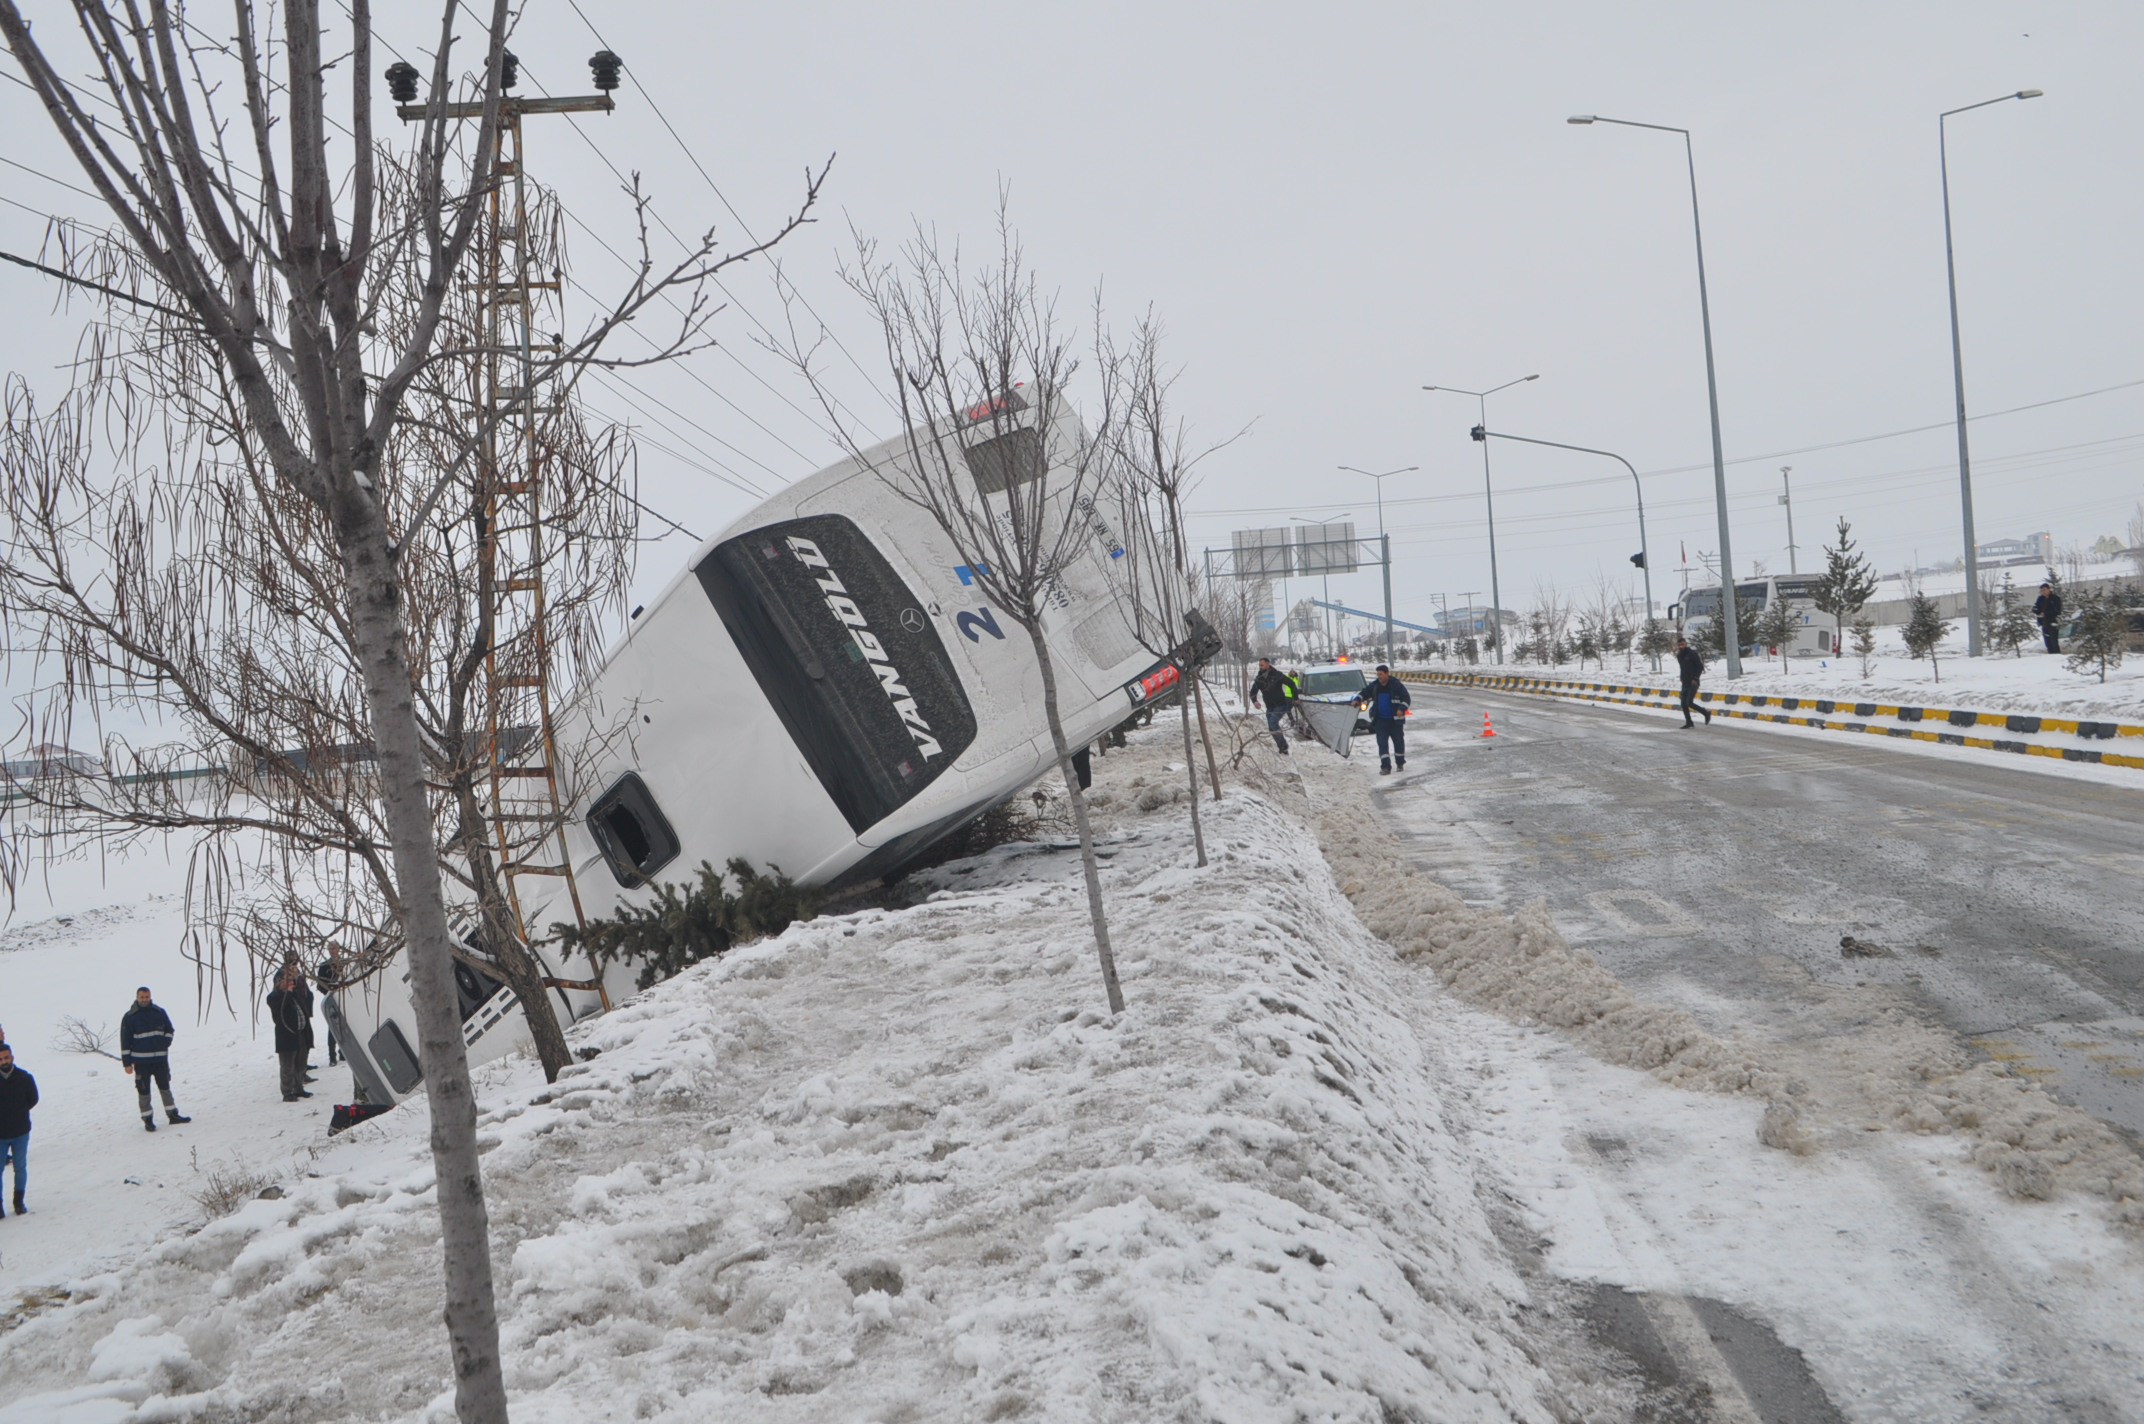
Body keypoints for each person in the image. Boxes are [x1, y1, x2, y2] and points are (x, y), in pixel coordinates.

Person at [120, 986, 192, 1132]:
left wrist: (165, 1042)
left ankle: (173, 1115)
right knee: (144, 1091)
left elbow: (169, 1030)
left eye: (146, 997)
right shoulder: (130, 1017)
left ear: (150, 997)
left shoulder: (159, 1012)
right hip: (141, 1063)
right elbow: (125, 1041)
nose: (144, 999)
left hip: (160, 1060)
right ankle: (148, 1120)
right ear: (137, 997)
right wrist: (127, 1063)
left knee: (165, 1087)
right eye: (142, 997)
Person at [1352, 664, 1413, 774]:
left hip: (1395, 721)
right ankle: (1385, 767)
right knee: (1382, 744)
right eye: (1378, 674)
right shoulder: (1375, 686)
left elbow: (1406, 699)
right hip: (1380, 721)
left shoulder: (1396, 685)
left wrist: (1401, 709)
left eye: (1381, 674)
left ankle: (1400, 763)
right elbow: (1364, 692)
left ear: (1387, 674)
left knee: (1398, 742)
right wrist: (1357, 699)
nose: (1379, 676)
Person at [0, 1041, 35, 1218]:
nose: (4, 1062)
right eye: (0, 1059)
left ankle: (19, 1202)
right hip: (0, 1135)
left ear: (12, 1057)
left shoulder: (24, 1078)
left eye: (6, 1058)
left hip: (20, 1132)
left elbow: (33, 1099)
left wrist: (19, 1113)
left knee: (20, 1167)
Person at [267, 971, 314, 1102]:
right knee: (287, 1066)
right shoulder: (274, 997)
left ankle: (298, 1088)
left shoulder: (294, 994)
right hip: (287, 1036)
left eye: (292, 980)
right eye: (288, 980)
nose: (291, 982)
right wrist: (287, 993)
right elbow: (281, 1008)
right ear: (279, 982)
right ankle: (287, 1092)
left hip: (301, 1033)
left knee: (301, 1064)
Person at [1248, 657, 1300, 755]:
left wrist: (1295, 698)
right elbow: (1253, 692)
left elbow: (1291, 684)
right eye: (1259, 665)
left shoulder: (1277, 675)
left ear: (1268, 664)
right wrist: (1255, 702)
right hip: (1270, 707)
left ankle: (1284, 746)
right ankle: (1282, 748)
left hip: (1281, 704)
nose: (1260, 667)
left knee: (1273, 722)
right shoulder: (1259, 678)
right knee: (1271, 728)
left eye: (1262, 665)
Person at [1675, 637, 1712, 727]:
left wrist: (1695, 678)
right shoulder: (1679, 656)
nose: (1681, 646)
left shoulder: (1692, 654)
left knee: (1689, 702)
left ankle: (1706, 713)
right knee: (1683, 704)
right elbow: (1682, 668)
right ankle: (1689, 722)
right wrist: (1681, 677)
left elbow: (1700, 667)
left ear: (1686, 644)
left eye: (1682, 644)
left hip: (1693, 682)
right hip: (1685, 682)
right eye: (1679, 645)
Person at [2033, 582, 2063, 654]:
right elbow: (2035, 608)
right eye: (2041, 590)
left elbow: (2057, 611)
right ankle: (2050, 655)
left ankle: (2057, 655)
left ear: (2049, 589)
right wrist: (2038, 612)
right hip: (2044, 623)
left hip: (2053, 623)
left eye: (2044, 590)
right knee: (2047, 643)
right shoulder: (2040, 599)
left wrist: (2046, 614)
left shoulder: (2055, 598)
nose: (2043, 592)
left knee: (2054, 642)